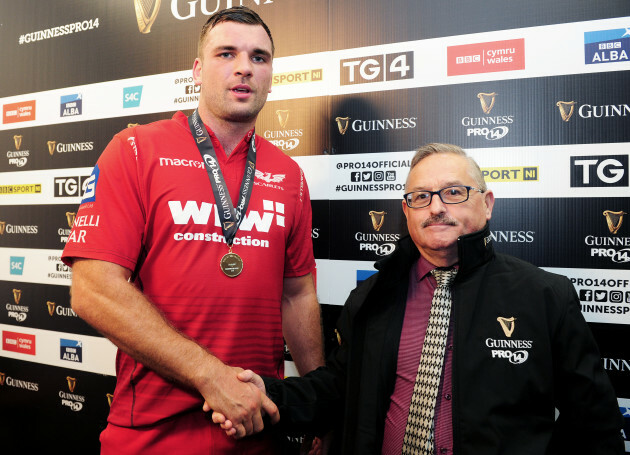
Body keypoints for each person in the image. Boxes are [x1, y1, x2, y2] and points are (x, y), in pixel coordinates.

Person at [214, 143, 624, 454]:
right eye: (421, 197)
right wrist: (266, 394)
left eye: (453, 193)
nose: (436, 208)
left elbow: (594, 425)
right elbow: (338, 388)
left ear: (488, 203)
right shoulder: (373, 295)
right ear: (406, 211)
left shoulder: (544, 295)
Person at [62, 6, 324, 454]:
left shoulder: (289, 175)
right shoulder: (136, 150)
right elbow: (93, 290)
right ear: (198, 71)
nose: (244, 67)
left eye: (259, 58)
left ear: (271, 75)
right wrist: (213, 377)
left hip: (260, 430)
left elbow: (297, 294)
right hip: (153, 434)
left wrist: (319, 405)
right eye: (227, 53)